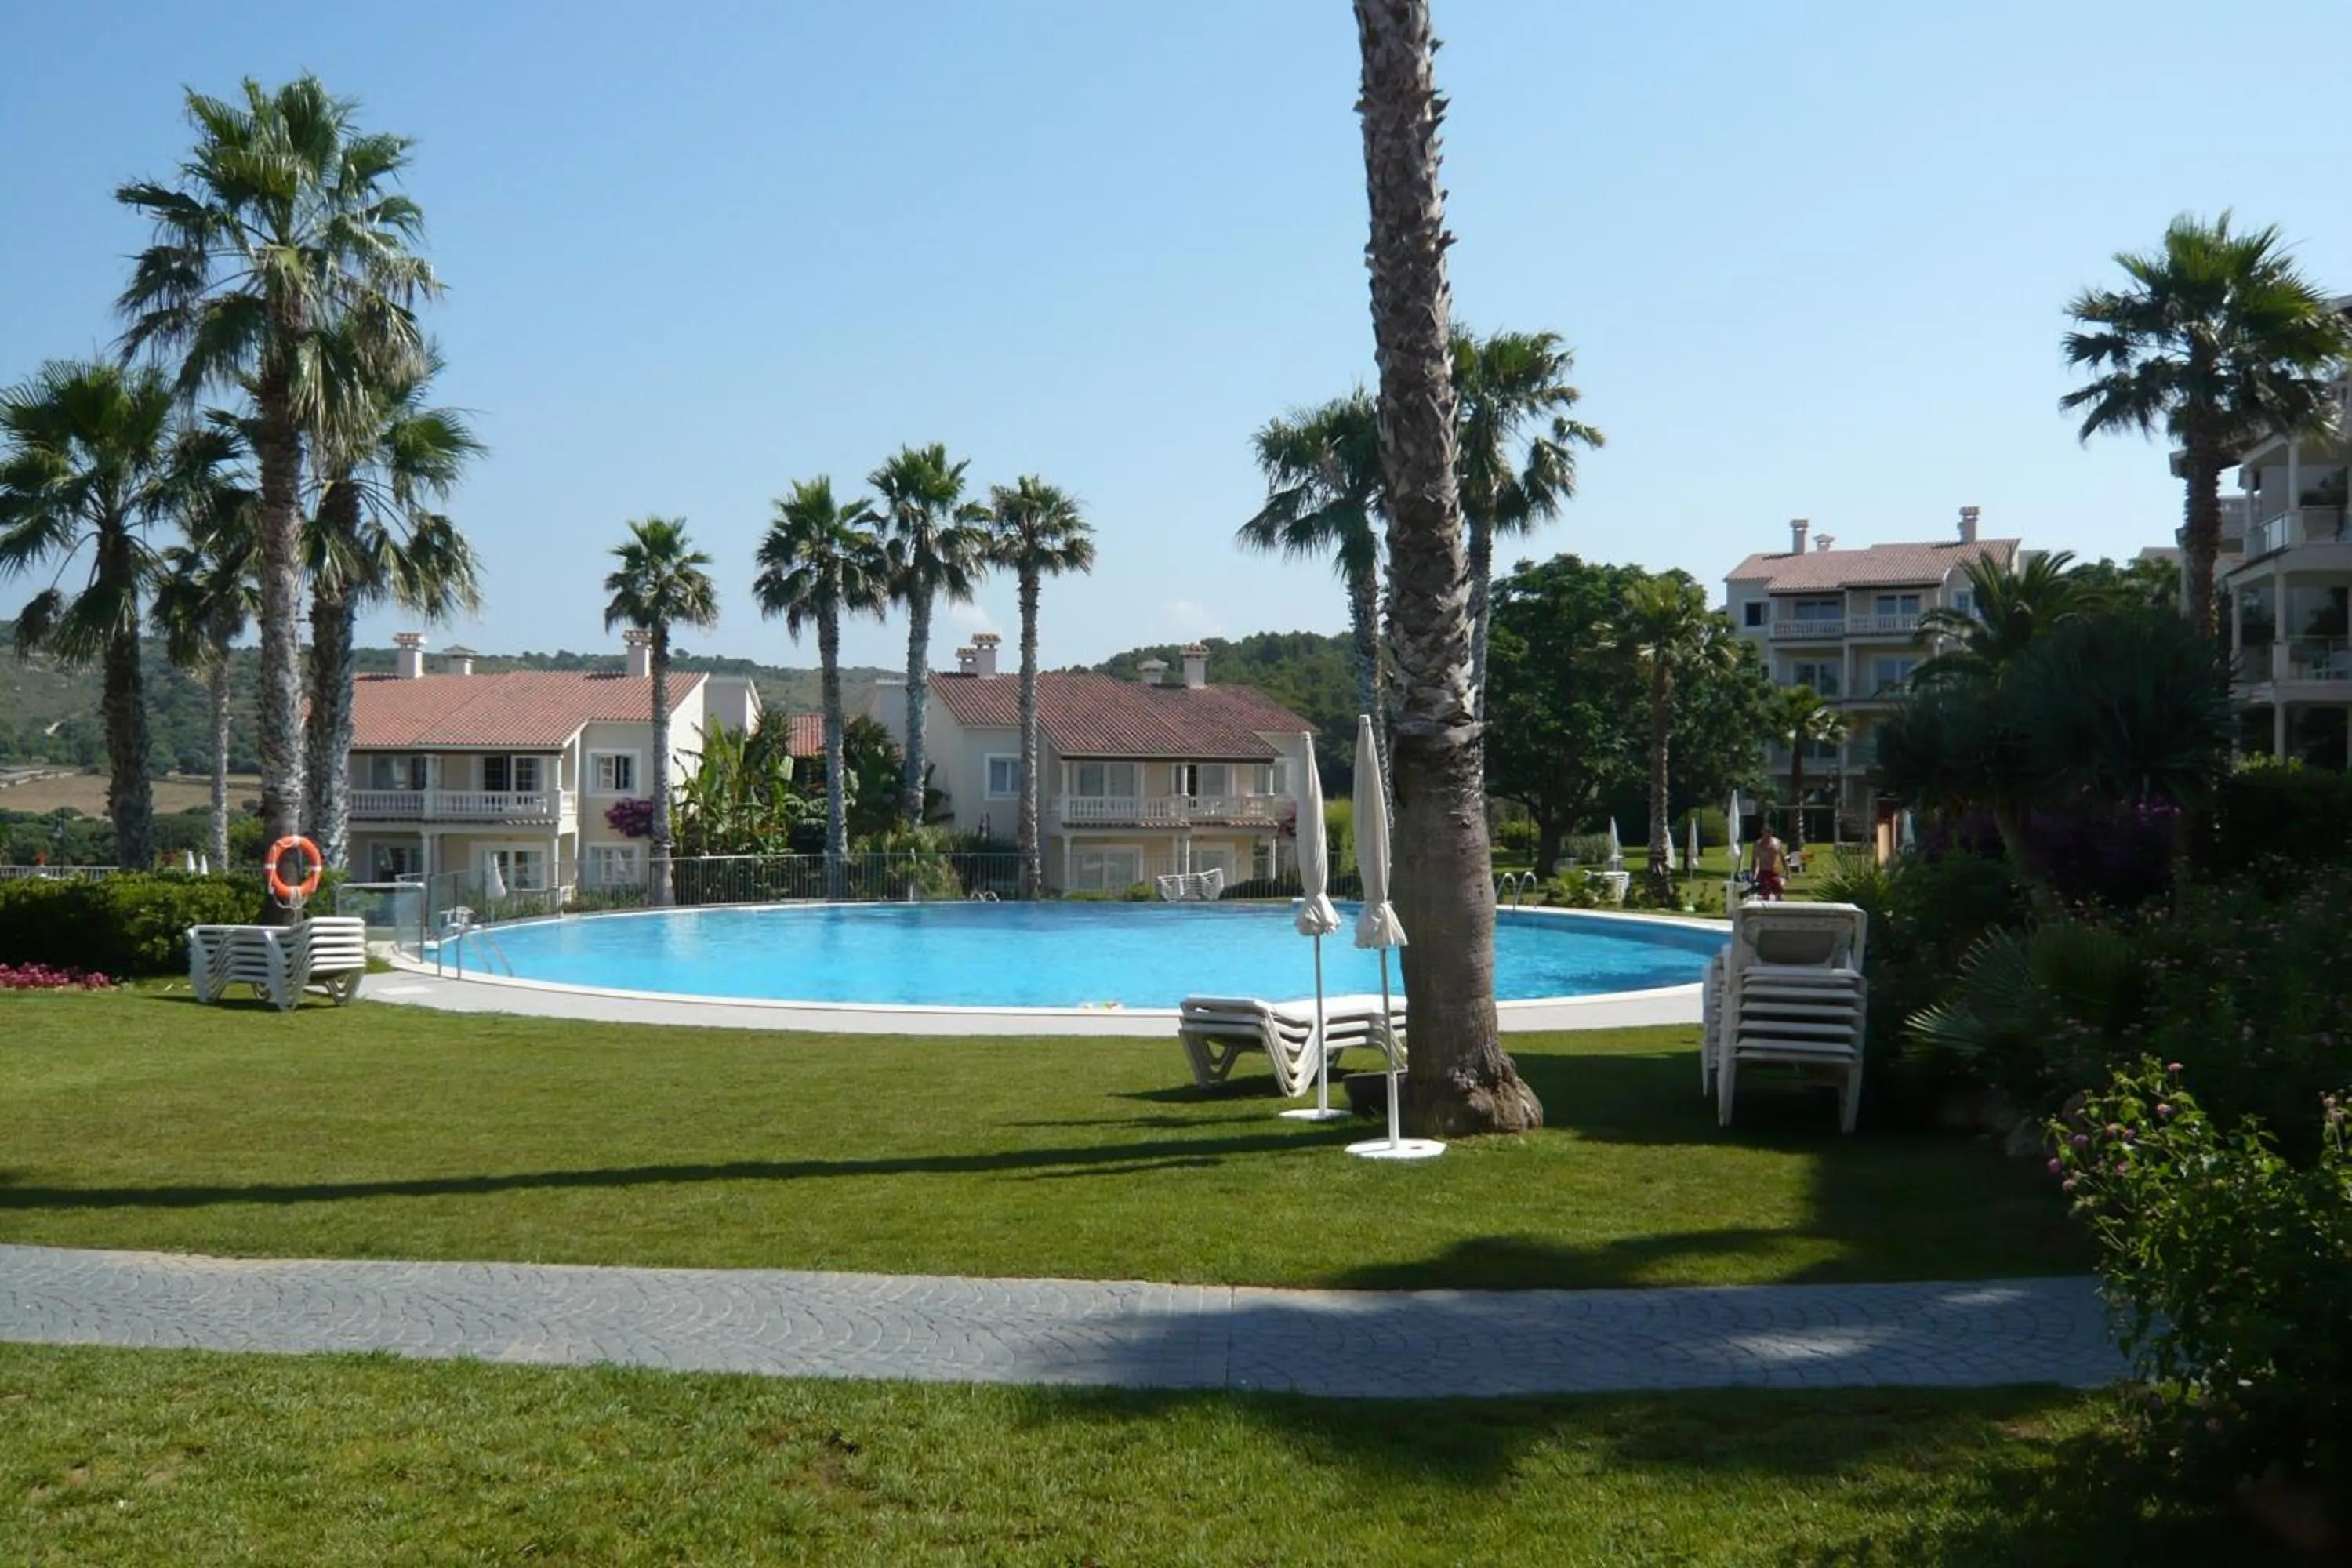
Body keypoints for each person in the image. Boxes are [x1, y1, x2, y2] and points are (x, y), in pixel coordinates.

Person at [1751, 823, 1788, 902]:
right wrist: (1753, 874)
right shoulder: (1758, 844)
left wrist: (1787, 872)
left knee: (1779, 893)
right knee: (1764, 894)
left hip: (1774, 871)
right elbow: (1754, 860)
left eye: (1766, 833)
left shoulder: (1777, 843)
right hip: (1763, 871)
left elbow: (1783, 858)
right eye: (1762, 833)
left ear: (1770, 833)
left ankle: (1780, 908)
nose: (1764, 835)